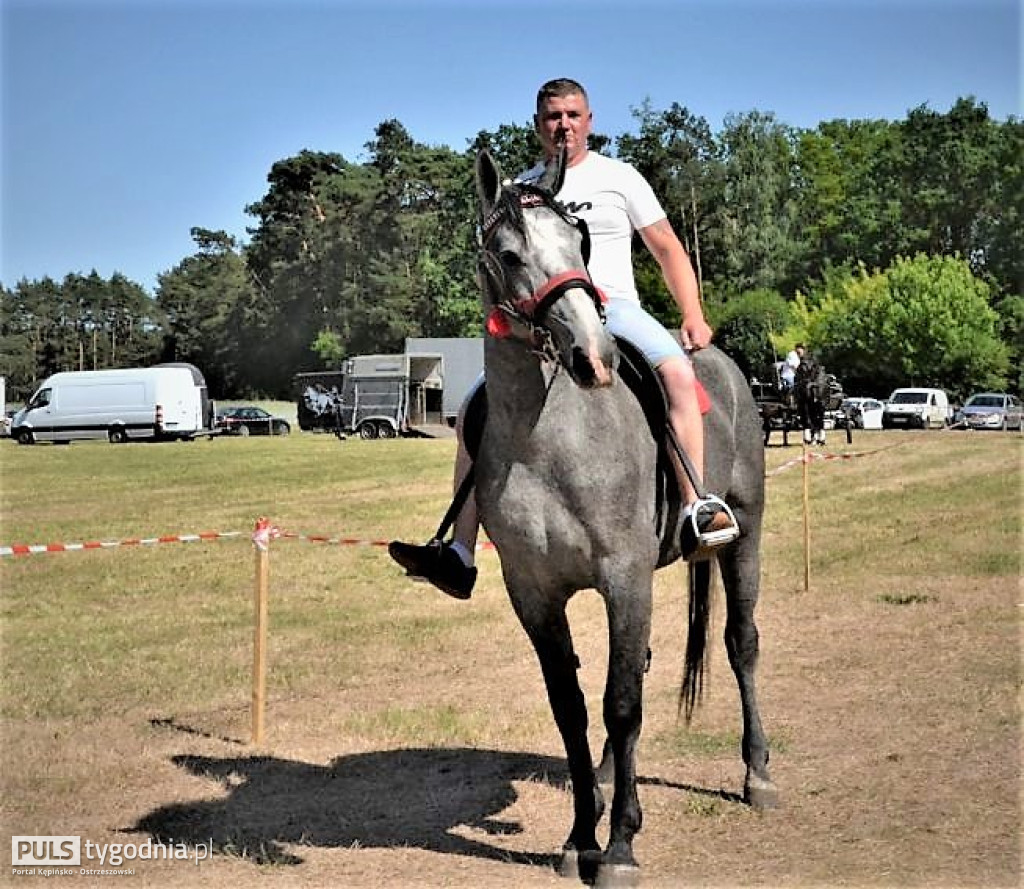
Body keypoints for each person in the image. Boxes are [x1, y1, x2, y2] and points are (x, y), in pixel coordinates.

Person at [389, 77, 738, 600]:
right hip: (543, 320)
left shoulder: (620, 178)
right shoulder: (522, 190)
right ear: (538, 125)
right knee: (474, 408)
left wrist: (692, 312)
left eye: (573, 115)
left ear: (590, 121)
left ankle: (696, 506)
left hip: (612, 308)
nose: (564, 126)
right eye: (553, 117)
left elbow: (665, 247)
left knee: (678, 376)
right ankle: (459, 550)